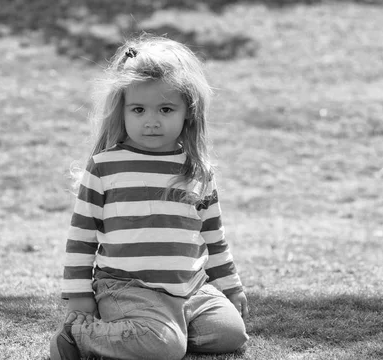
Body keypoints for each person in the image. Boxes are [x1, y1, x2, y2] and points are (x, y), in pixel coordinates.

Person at [50, 35, 249, 360]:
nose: (151, 120)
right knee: (166, 347)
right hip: (127, 288)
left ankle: (151, 334)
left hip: (191, 288)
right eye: (139, 109)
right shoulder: (105, 166)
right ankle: (80, 336)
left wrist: (230, 284)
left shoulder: (197, 168)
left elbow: (213, 235)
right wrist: (79, 296)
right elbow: (81, 238)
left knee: (231, 333)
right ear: (122, 109)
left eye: (166, 109)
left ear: (188, 110)